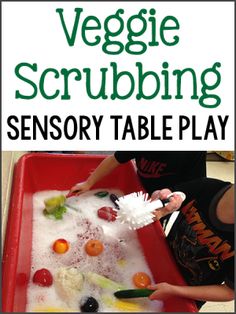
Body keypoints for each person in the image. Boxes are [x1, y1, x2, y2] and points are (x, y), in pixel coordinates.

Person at [148, 177, 234, 309]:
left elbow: (230, 291)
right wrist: (161, 203)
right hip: (161, 259)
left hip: (188, 293)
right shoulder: (208, 187)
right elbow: (171, 196)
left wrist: (174, 290)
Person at [69, 151, 206, 229]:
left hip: (166, 198)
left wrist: (174, 198)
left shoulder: (192, 150)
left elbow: (196, 185)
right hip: (138, 192)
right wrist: (88, 183)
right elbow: (114, 159)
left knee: (154, 224)